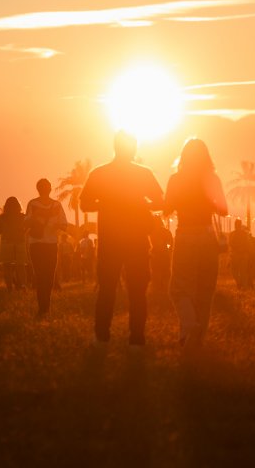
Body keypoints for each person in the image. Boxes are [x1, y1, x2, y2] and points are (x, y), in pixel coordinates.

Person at [80, 131, 164, 347]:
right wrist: (139, 205)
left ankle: (101, 336)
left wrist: (107, 205)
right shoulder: (143, 174)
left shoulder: (100, 174)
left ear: (115, 147)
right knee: (138, 291)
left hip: (110, 240)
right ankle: (137, 338)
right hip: (136, 239)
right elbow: (160, 201)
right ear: (134, 149)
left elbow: (85, 204)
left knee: (107, 289)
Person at [163, 138, 228, 349]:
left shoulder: (176, 179)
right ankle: (196, 339)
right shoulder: (212, 179)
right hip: (207, 236)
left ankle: (189, 326)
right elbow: (223, 209)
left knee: (180, 289)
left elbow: (166, 208)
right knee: (205, 290)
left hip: (185, 235)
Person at [27, 178, 68, 318]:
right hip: (51, 244)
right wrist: (55, 225)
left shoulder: (32, 203)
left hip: (36, 244)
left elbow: (26, 221)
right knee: (49, 276)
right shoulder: (56, 205)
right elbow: (64, 224)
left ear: (37, 189)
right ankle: (46, 307)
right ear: (49, 189)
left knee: (40, 276)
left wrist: (36, 219)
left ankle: (42, 308)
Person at [0, 196, 28, 291]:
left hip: (7, 243)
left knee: (7, 267)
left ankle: (9, 287)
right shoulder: (23, 216)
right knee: (21, 266)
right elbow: (26, 229)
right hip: (20, 242)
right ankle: (23, 286)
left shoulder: (3, 217)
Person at [150, 216, 173, 292]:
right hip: (161, 255)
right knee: (163, 272)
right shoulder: (164, 232)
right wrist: (166, 248)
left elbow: (169, 243)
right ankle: (162, 288)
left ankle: (159, 288)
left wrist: (165, 247)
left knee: (158, 272)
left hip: (158, 255)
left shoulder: (153, 233)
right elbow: (170, 243)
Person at [229, 219, 251, 289]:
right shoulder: (245, 234)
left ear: (235, 225)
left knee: (234, 270)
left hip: (236, 254)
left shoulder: (232, 234)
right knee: (243, 271)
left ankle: (239, 282)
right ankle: (243, 286)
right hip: (244, 254)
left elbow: (230, 244)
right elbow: (248, 244)